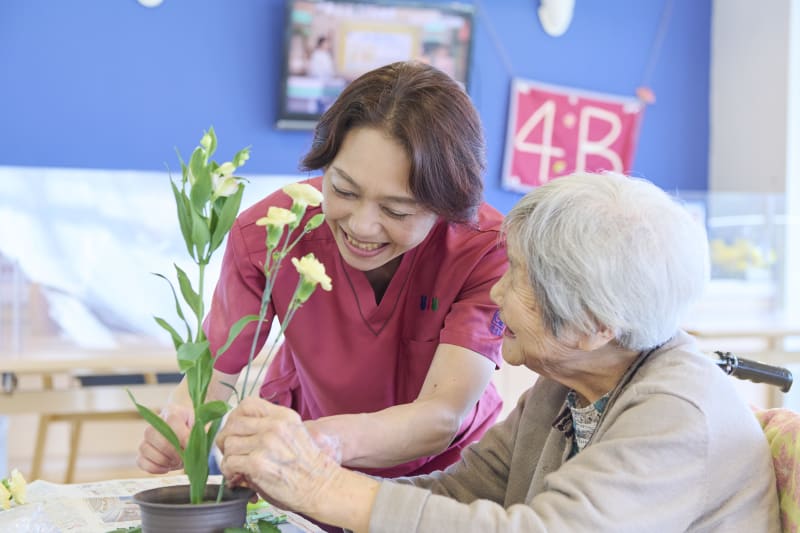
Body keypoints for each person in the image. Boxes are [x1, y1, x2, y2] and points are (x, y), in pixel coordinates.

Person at [215, 172, 780, 532]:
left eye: (519, 279)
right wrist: (292, 491)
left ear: (594, 326)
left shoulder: (678, 415)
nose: (494, 293)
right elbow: (459, 494)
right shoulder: (565, 387)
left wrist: (321, 484)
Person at [137, 61, 506, 484]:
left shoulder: (485, 250)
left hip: (444, 478)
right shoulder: (270, 233)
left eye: (396, 210)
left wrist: (313, 442)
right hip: (304, 462)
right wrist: (181, 420)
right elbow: (216, 368)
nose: (362, 226)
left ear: (447, 204)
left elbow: (442, 415)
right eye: (343, 190)